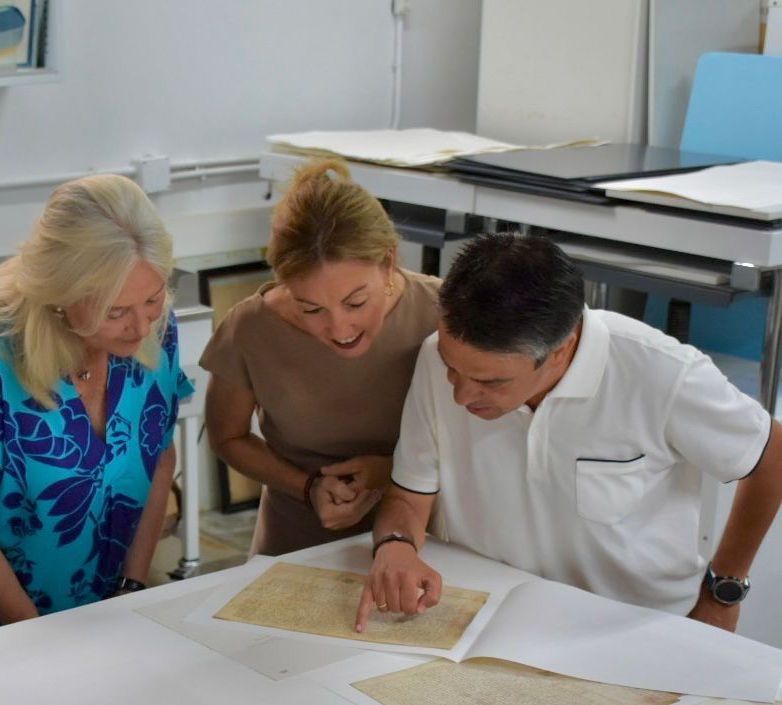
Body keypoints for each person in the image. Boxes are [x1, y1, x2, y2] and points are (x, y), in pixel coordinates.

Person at [357, 233, 782, 633]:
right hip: (486, 618)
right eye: (453, 368)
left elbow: (772, 454)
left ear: (561, 350)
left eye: (491, 382)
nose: (461, 394)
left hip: (638, 626)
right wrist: (396, 545)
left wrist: (724, 591)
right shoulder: (436, 356)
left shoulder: (662, 373)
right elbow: (408, 496)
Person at [0, 174, 192, 658]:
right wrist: (39, 644)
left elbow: (159, 456)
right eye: (115, 311)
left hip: (94, 617)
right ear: (61, 293)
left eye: (153, 299)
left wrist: (132, 587)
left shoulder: (155, 331)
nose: (140, 325)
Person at [200, 159, 441, 555]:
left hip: (425, 542)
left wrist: (395, 472)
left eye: (356, 302)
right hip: (296, 541)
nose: (340, 330)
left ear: (388, 262)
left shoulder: (443, 314)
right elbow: (228, 437)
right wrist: (307, 487)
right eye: (310, 309)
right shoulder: (250, 329)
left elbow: (485, 443)